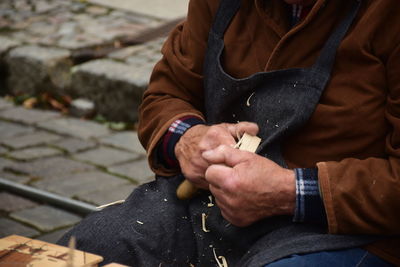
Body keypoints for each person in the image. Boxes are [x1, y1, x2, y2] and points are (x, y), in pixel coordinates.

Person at [58, 0, 400, 265]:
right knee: (87, 249)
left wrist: (288, 191)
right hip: (209, 206)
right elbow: (166, 93)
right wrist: (188, 140)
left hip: (344, 230)